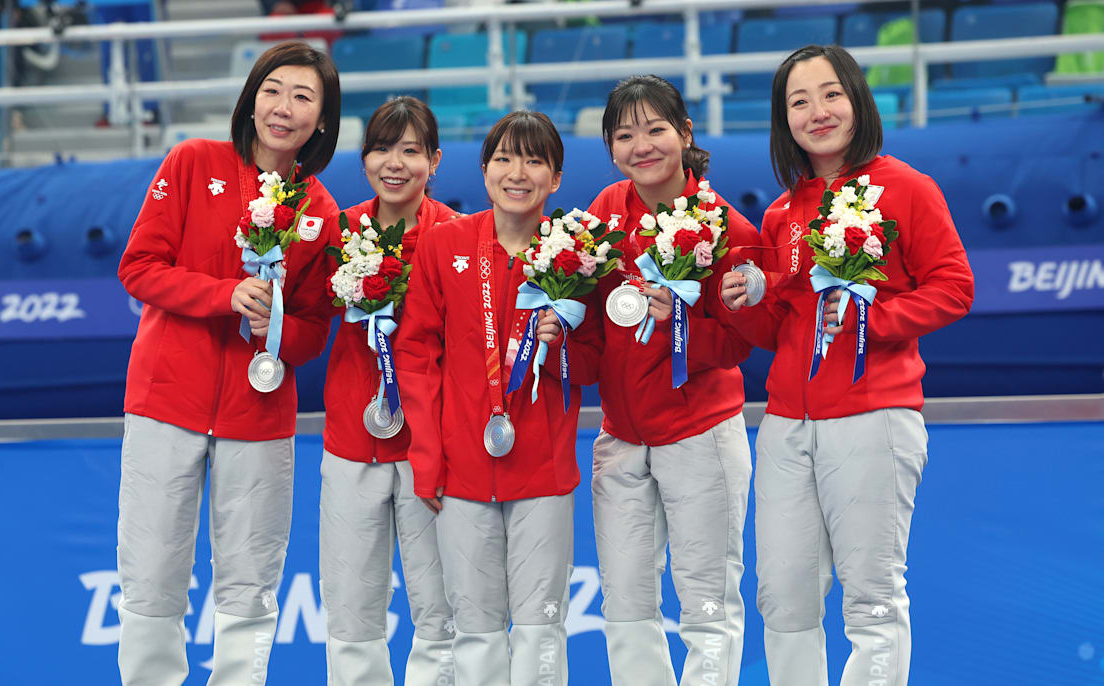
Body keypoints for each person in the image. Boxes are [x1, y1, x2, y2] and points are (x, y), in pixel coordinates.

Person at [718, 44, 974, 686]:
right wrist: (744, 303)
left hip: (873, 416)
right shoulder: (782, 213)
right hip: (785, 426)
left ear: (857, 99)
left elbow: (954, 285)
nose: (817, 111)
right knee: (783, 598)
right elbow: (781, 332)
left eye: (830, 93)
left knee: (872, 598)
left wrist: (875, 322)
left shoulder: (907, 188)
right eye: (798, 101)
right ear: (784, 121)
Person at [114, 40, 341, 686]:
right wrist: (224, 296)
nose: (283, 107)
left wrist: (280, 328)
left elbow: (313, 334)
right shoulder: (192, 162)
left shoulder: (319, 210)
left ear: (321, 120)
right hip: (166, 401)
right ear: (251, 97)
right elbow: (138, 267)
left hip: (259, 412)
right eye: (273, 90)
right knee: (152, 569)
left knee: (250, 577)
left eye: (303, 97)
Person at [395, 110, 600, 686]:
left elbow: (594, 363)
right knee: (476, 630)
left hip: (543, 470)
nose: (518, 172)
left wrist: (560, 347)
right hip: (461, 471)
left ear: (555, 178)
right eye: (505, 158)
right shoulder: (444, 244)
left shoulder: (576, 254)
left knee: (540, 630)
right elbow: (416, 355)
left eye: (535, 161)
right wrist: (428, 457)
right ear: (484, 169)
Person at [584, 74, 759, 686]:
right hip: (622, 438)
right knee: (625, 606)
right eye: (625, 135)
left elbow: (743, 340)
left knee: (707, 605)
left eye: (656, 129)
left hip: (699, 435)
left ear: (685, 134)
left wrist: (680, 326)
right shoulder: (606, 212)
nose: (643, 146)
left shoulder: (730, 230)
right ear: (610, 147)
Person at [319, 95, 459, 686]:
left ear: (435, 158)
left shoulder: (456, 235)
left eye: (410, 150)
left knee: (440, 611)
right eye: (381, 148)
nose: (394, 163)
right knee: (351, 613)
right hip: (352, 442)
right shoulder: (339, 229)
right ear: (363, 157)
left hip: (429, 448)